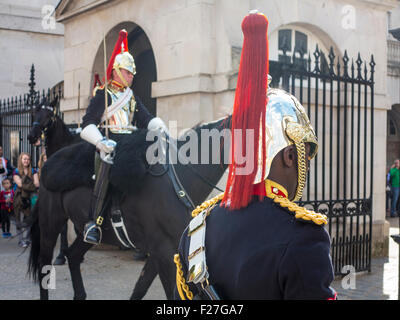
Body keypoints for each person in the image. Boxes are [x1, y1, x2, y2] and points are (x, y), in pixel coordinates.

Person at [174, 11, 336, 300]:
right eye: (304, 153)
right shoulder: (303, 238)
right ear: (289, 155)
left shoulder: (196, 229)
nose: (306, 165)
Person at [80, 29, 168, 245]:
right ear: (117, 71)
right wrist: (101, 141)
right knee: (107, 164)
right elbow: (87, 124)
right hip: (109, 143)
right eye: (128, 72)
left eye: (132, 73)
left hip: (131, 141)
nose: (131, 76)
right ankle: (94, 221)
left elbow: (146, 118)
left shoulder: (132, 97)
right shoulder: (104, 93)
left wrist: (160, 127)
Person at [13, 152, 39, 248]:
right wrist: (30, 183)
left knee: (30, 219)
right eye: (24, 159)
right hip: (19, 198)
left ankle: (27, 239)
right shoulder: (16, 171)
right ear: (21, 160)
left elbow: (37, 183)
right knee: (19, 219)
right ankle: (21, 240)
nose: (26, 161)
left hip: (31, 198)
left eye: (28, 159)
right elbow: (19, 184)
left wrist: (25, 183)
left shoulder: (33, 170)